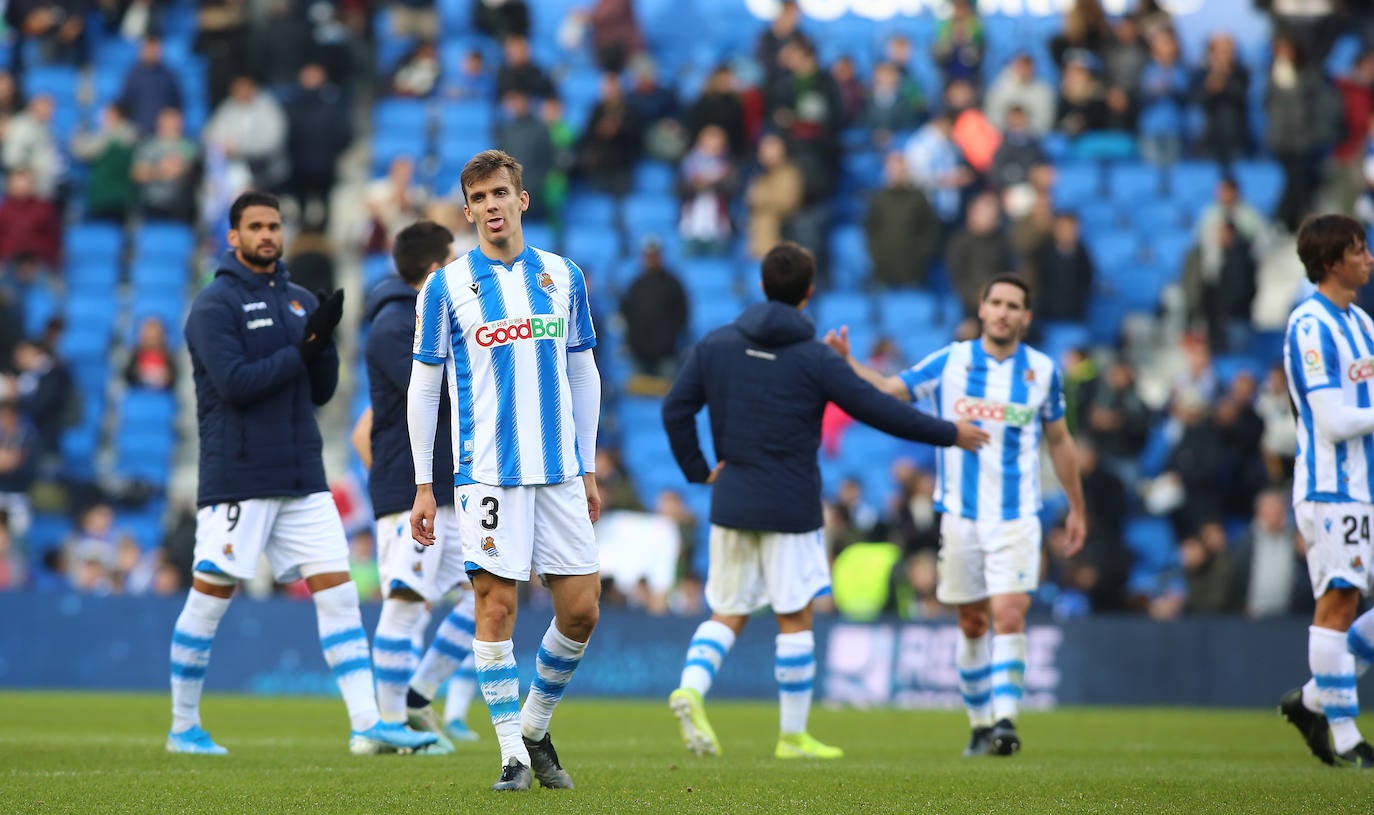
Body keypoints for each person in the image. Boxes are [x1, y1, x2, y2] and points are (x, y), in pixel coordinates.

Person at [660, 242, 988, 760]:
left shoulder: (716, 345)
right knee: (794, 618)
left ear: (763, 284)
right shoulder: (816, 359)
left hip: (733, 501)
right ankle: (792, 737)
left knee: (727, 612)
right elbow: (881, 410)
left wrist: (700, 471)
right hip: (791, 505)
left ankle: (691, 689)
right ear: (809, 293)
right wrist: (950, 433)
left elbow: (675, 410)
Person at [166, 191, 436, 757]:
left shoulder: (294, 301)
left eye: (274, 225)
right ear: (233, 237)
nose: (267, 234)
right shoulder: (214, 306)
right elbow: (237, 385)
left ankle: (367, 726)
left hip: (303, 476)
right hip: (239, 475)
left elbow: (319, 392)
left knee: (337, 596)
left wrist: (325, 345)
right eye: (255, 226)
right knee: (211, 598)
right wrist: (305, 344)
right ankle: (183, 725)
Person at [825, 274, 1086, 758]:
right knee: (971, 623)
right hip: (961, 518)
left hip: (1017, 516)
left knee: (1009, 614)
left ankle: (1006, 722)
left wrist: (1076, 506)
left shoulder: (1044, 373)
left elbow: (1060, 441)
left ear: (1026, 317)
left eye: (1014, 305)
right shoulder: (953, 361)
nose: (1004, 312)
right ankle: (980, 723)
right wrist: (847, 365)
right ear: (983, 309)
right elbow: (888, 388)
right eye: (997, 302)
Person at [408, 150, 602, 791]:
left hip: (560, 470)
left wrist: (589, 462)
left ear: (522, 200)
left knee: (580, 610)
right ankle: (512, 756)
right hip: (486, 472)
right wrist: (423, 483)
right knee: (495, 607)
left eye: (500, 193)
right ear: (466, 211)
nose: (490, 206)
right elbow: (424, 386)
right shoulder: (444, 287)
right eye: (478, 198)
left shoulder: (564, 277)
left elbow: (582, 372)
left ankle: (536, 725)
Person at [351, 219, 480, 753]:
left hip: (445, 486)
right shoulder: (393, 327)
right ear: (434, 269)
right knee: (405, 602)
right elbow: (436, 393)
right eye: (452, 261)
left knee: (487, 591)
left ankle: (417, 696)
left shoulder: (422, 319)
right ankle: (389, 726)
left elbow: (366, 426)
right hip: (412, 491)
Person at [1278, 213, 1374, 769]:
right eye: (1359, 250)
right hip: (1332, 488)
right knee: (1338, 604)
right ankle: (1347, 737)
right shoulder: (1309, 326)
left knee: (1348, 604)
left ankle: (1313, 700)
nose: (1369, 259)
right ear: (1333, 260)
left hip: (1367, 485)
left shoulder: (1361, 320)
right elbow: (1333, 420)